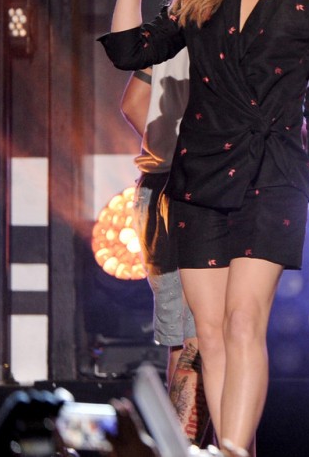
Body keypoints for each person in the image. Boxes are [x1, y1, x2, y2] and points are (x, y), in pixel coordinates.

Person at [98, 0, 309, 454]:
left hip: (276, 175)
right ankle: (223, 446)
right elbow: (132, 50)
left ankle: (234, 448)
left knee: (244, 325)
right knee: (207, 335)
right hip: (199, 175)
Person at [120, 53, 209, 444]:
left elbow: (133, 105)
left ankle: (176, 448)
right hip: (202, 192)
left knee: (182, 342)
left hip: (155, 192)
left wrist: (166, 151)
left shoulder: (167, 35)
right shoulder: (229, 25)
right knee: (205, 341)